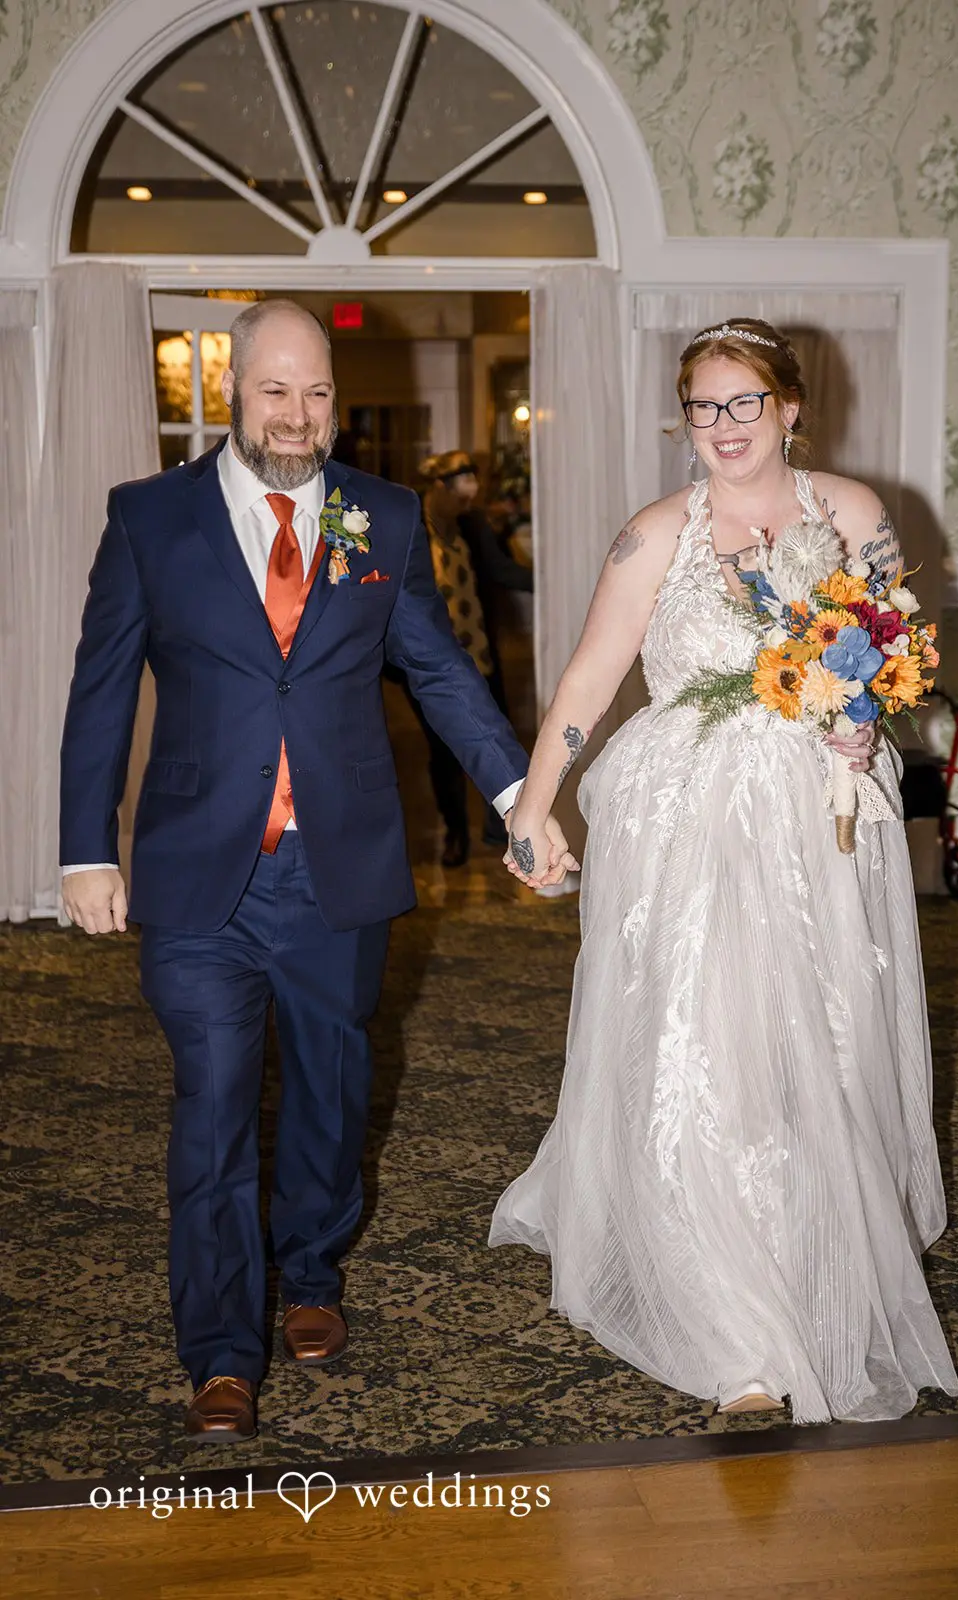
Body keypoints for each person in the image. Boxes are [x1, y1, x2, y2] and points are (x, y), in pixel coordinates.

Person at [59, 299, 574, 1444]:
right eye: (274, 391)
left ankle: (309, 1271)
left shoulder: (378, 515)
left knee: (331, 1094)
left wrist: (517, 800)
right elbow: (101, 689)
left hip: (337, 866)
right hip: (200, 875)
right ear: (231, 393)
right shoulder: (151, 517)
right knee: (212, 1105)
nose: (297, 416)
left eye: (317, 392)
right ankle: (218, 1351)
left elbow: (436, 670)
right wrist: (87, 846)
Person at [490, 318, 958, 1424]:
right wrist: (533, 805)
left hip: (817, 825)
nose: (723, 425)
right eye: (702, 407)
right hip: (688, 831)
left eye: (743, 401)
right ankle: (735, 1332)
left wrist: (864, 719)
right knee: (707, 1053)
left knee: (816, 1051)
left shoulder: (853, 515)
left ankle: (811, 1263)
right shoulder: (652, 537)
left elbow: (897, 651)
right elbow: (589, 678)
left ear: (788, 408)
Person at [411, 450, 533, 867]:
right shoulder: (412, 523)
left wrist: (550, 579)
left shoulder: (472, 523)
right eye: (461, 495)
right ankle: (455, 834)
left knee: (495, 735)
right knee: (443, 750)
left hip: (478, 652)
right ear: (439, 487)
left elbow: (500, 570)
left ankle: (498, 826)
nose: (468, 503)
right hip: (431, 659)